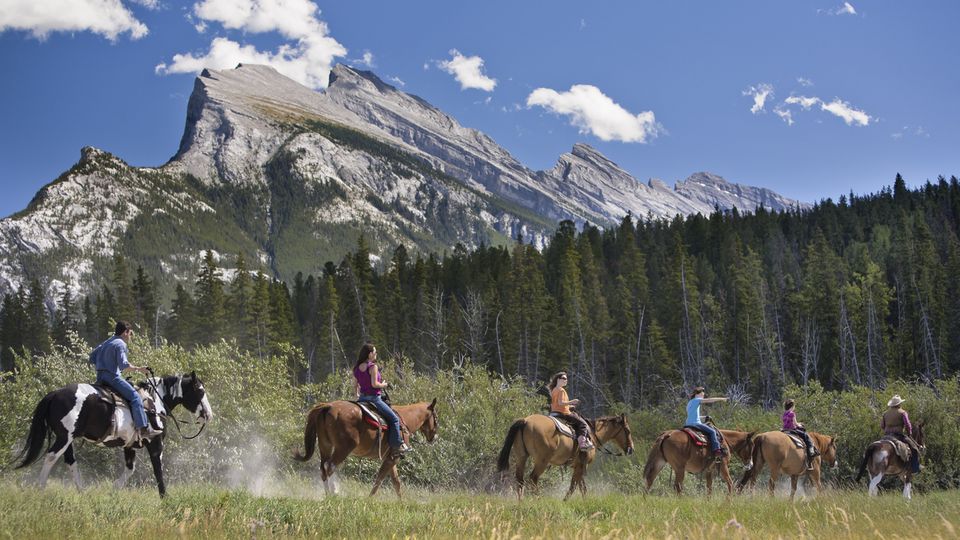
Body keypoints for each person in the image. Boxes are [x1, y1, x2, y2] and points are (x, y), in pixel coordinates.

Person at [89, 321, 160, 444]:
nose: (130, 336)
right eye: (130, 333)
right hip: (112, 378)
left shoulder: (107, 342)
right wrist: (140, 369)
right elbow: (124, 366)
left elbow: (92, 357)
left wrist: (104, 361)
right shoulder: (120, 344)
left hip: (100, 377)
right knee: (135, 397)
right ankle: (144, 429)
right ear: (125, 332)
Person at [353, 343, 411, 456]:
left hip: (362, 399)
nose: (376, 354)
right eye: (375, 352)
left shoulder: (356, 367)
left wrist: (357, 395)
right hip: (374, 399)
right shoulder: (372, 367)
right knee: (394, 419)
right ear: (370, 354)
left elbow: (355, 385)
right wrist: (384, 384)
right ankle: (397, 445)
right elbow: (374, 384)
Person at [548, 371, 594, 450]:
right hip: (563, 413)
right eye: (564, 378)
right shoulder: (561, 390)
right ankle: (582, 444)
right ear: (558, 379)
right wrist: (572, 401)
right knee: (583, 424)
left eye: (566, 379)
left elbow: (557, 404)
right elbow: (561, 403)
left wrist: (569, 406)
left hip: (554, 413)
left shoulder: (554, 390)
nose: (566, 380)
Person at [685, 386, 727, 459]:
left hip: (687, 424)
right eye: (703, 393)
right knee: (712, 432)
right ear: (699, 393)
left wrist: (704, 417)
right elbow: (710, 400)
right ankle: (717, 450)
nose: (703, 395)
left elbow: (692, 415)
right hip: (695, 424)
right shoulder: (697, 400)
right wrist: (722, 399)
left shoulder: (690, 403)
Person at [881, 394, 920, 473]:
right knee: (915, 449)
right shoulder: (902, 412)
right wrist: (909, 433)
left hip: (886, 436)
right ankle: (915, 469)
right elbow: (907, 425)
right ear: (899, 404)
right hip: (898, 435)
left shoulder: (885, 413)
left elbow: (882, 426)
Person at [782, 399, 818, 470]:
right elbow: (795, 424)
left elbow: (785, 422)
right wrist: (800, 425)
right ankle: (811, 451)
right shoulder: (792, 413)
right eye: (794, 405)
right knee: (806, 435)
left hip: (785, 430)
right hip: (792, 430)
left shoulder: (784, 413)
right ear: (792, 406)